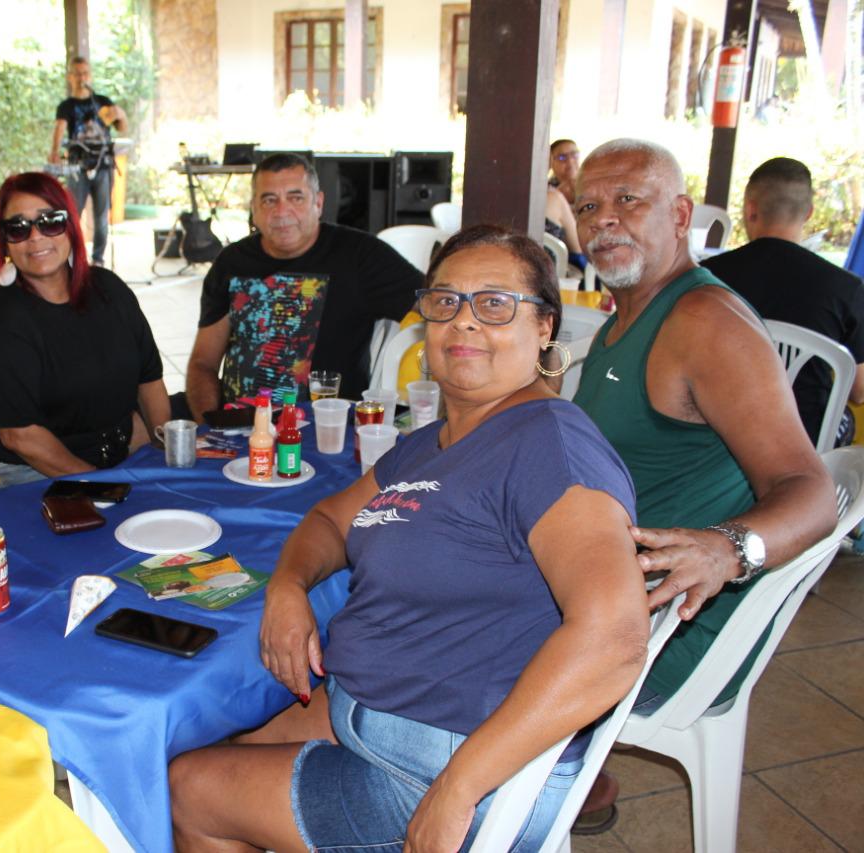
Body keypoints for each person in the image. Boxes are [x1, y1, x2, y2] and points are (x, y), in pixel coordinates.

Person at [170, 225, 651, 851]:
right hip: (384, 714)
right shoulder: (437, 442)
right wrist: (287, 587)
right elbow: (327, 521)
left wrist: (457, 790)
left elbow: (613, 636)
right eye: (446, 301)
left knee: (188, 789)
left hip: (451, 768)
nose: (465, 322)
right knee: (218, 740)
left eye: (496, 304)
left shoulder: (548, 444)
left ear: (545, 329)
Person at [570, 139, 836, 829]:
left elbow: (811, 488)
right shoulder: (622, 319)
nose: (605, 219)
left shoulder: (703, 322)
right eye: (589, 205)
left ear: (681, 214)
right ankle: (580, 771)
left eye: (629, 199)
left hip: (670, 625)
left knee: (433, 602)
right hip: (614, 592)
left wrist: (727, 550)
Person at [0, 172, 169, 488]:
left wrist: (168, 456)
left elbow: (150, 382)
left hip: (117, 457)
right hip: (33, 474)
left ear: (69, 225)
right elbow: (20, 436)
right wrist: (101, 486)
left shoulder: (108, 290)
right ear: (4, 242)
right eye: (17, 228)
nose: (35, 237)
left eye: (50, 221)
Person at [185, 153, 423, 418]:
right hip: (240, 428)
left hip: (326, 429)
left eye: (296, 198)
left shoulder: (360, 255)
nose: (282, 212)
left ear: (318, 203)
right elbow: (203, 362)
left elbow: (435, 302)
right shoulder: (231, 263)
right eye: (269, 200)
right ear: (254, 208)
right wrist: (207, 426)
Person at [702, 157, 864, 443]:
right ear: (809, 213)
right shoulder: (846, 287)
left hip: (720, 434)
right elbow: (859, 391)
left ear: (750, 210)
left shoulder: (708, 276)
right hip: (809, 439)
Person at [49, 56, 127, 268]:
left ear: (89, 75)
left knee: (102, 217)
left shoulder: (101, 101)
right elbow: (59, 128)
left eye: (85, 73)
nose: (82, 77)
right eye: (77, 73)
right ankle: (74, 259)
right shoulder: (67, 106)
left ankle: (98, 260)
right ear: (70, 77)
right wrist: (54, 151)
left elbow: (121, 127)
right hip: (79, 167)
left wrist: (121, 114)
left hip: (103, 166)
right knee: (73, 214)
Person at [549, 138, 581, 204]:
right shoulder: (545, 192)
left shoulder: (592, 182)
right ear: (550, 162)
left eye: (574, 155)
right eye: (562, 157)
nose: (570, 162)